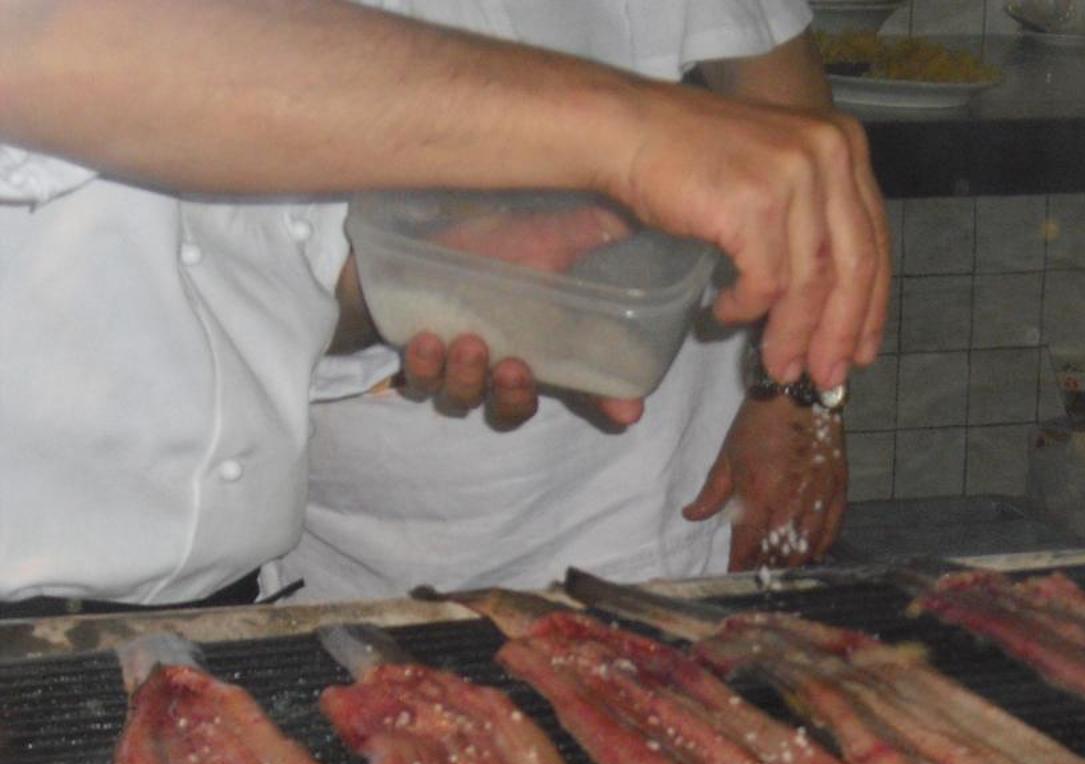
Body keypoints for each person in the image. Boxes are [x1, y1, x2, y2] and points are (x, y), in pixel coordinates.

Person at [0, 0, 888, 607]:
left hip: (232, 602)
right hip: (311, 561)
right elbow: (54, 41)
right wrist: (630, 133)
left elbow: (268, 281)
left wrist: (438, 281)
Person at [282, 0, 845, 601]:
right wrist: (416, 295)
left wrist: (798, 395)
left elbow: (794, 135)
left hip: (649, 501)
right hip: (349, 542)